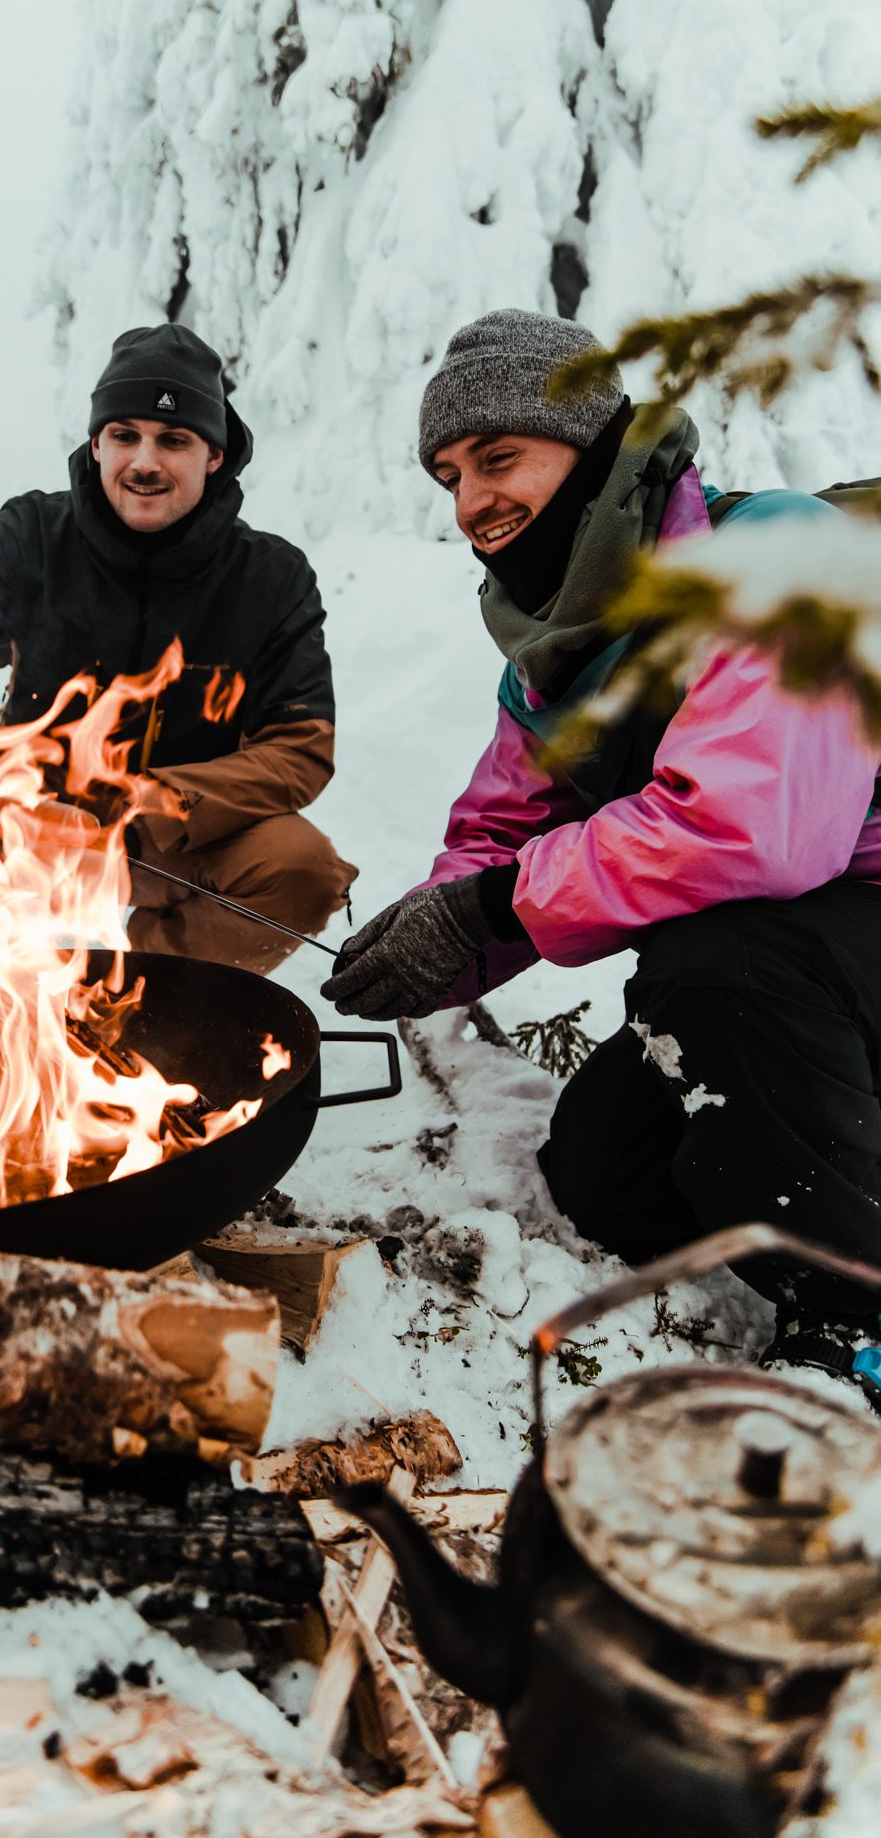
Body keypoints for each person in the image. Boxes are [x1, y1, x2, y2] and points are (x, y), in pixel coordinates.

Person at [321, 307, 881, 1398]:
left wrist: (490, 908)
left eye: (498, 457)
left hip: (837, 942)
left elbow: (748, 828)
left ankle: (858, 1314)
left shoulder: (775, 556)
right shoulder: (552, 655)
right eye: (447, 475)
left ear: (594, 451)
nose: (472, 499)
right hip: (810, 986)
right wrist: (439, 936)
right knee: (603, 1172)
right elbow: (501, 834)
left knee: (719, 959)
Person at [0, 322, 356, 973]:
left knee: (298, 867)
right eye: (125, 436)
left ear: (213, 455)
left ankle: (143, 1007)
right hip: (23, 816)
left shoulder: (272, 578)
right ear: (96, 443)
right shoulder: (33, 535)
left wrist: (133, 810)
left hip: (173, 834)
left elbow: (297, 753)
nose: (144, 461)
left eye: (173, 440)